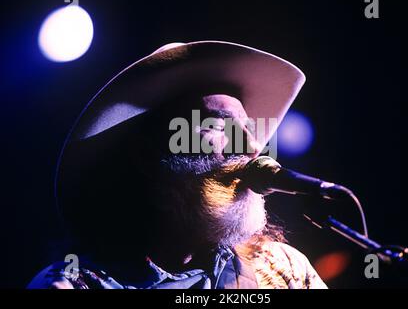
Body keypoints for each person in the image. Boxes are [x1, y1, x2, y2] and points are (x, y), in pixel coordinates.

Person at [28, 41, 327, 289]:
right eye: (219, 126)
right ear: (150, 157)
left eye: (248, 128)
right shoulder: (75, 284)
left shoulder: (280, 270)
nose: (252, 146)